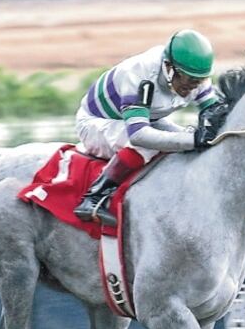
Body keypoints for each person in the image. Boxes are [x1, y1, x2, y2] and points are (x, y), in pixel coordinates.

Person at [73, 29, 221, 227]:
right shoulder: (139, 73)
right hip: (96, 122)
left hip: (145, 118)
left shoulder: (196, 74)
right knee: (152, 145)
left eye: (199, 81)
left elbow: (213, 112)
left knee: (185, 138)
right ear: (169, 67)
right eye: (188, 80)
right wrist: (194, 139)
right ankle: (94, 197)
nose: (193, 87)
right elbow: (138, 135)